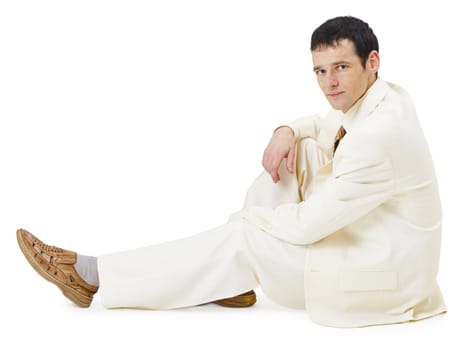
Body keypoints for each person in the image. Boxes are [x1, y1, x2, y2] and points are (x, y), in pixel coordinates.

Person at [16, 16, 446, 328]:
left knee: (244, 236)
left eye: (342, 68)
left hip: (381, 278)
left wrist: (248, 223)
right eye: (320, 70)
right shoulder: (384, 97)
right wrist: (285, 131)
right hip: (370, 241)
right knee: (298, 154)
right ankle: (230, 276)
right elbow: (322, 125)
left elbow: (309, 226)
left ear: (372, 61)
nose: (330, 83)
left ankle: (94, 276)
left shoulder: (380, 135)